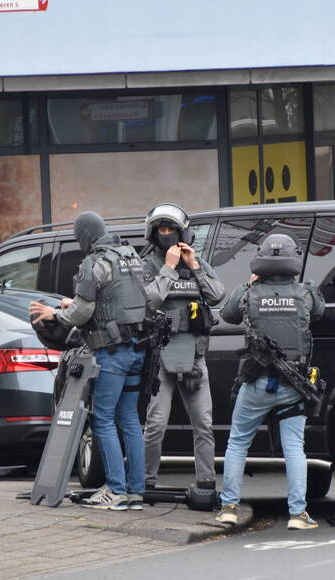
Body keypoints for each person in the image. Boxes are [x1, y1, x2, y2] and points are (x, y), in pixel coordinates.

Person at [29, 211, 150, 511]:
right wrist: (78, 304)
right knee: (130, 420)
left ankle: (116, 491)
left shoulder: (93, 263)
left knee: (103, 419)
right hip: (138, 348)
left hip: (111, 353)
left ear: (84, 236)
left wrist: (54, 314)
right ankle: (136, 491)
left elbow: (82, 314)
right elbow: (124, 297)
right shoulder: (130, 255)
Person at [215, 233, 325, 530]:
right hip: (294, 385)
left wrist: (249, 284)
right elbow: (319, 312)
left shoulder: (249, 293)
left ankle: (228, 508)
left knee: (238, 443)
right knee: (295, 449)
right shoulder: (306, 292)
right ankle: (298, 514)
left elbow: (227, 315)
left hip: (255, 384)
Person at [139, 203, 225, 492]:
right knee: (156, 423)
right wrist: (169, 268)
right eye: (161, 229)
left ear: (181, 232)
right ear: (154, 233)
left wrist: (194, 266)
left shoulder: (194, 261)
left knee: (203, 422)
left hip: (194, 356)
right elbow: (148, 300)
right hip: (161, 357)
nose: (166, 234)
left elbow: (216, 295)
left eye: (171, 229)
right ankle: (146, 481)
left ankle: (206, 482)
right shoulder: (148, 264)